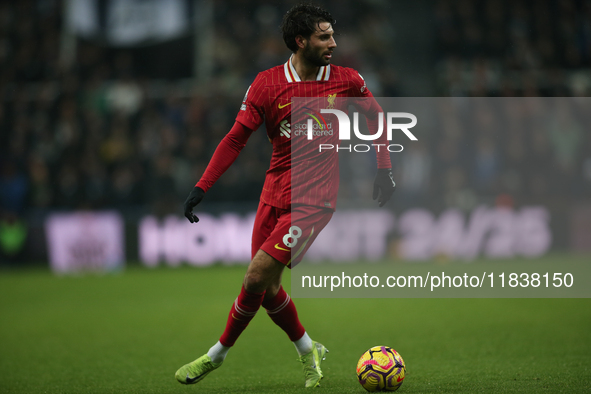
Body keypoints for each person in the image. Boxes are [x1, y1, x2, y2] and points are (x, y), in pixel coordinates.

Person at [175, 3, 396, 388]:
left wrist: (384, 167)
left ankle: (216, 355)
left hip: (315, 201)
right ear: (301, 40)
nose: (334, 43)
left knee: (256, 276)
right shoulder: (266, 84)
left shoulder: (346, 79)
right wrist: (202, 186)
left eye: (332, 34)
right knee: (267, 287)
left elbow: (377, 117)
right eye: (324, 36)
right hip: (273, 193)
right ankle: (309, 349)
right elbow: (235, 138)